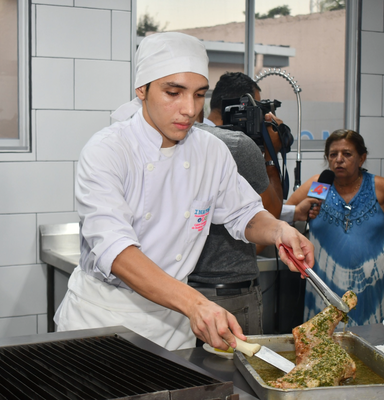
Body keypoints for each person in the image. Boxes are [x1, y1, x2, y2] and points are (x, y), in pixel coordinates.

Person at [54, 32, 314, 351]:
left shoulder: (209, 151)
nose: (189, 109)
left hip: (172, 329)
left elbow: (244, 213)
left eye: (198, 94)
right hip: (100, 325)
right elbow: (116, 251)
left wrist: (278, 231)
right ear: (142, 89)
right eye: (174, 93)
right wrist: (195, 303)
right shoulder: (108, 151)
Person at [188, 72, 321, 335]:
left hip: (185, 288)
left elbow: (239, 207)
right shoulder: (237, 145)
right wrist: (269, 152)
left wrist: (293, 213)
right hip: (230, 291)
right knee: (239, 373)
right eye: (257, 109)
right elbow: (268, 209)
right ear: (241, 107)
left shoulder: (192, 137)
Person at [285, 129, 384, 326]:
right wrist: (299, 215)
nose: (339, 159)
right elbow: (284, 217)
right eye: (333, 155)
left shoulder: (378, 186)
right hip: (327, 286)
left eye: (347, 154)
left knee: (382, 346)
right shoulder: (318, 185)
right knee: (327, 347)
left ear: (361, 158)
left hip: (379, 285)